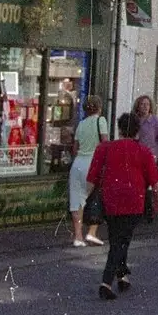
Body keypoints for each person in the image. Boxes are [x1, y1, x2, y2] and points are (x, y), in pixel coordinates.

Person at [87, 112, 158, 300]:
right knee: (122, 241)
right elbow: (155, 183)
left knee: (117, 239)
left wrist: (86, 199)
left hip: (110, 199)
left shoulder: (104, 149)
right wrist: (157, 202)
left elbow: (91, 178)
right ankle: (106, 282)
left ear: (119, 129)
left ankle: (122, 277)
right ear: (137, 130)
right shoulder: (144, 151)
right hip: (134, 201)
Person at [69, 94, 109, 247]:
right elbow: (104, 143)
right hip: (93, 162)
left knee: (76, 200)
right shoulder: (101, 120)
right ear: (99, 108)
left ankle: (78, 237)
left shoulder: (81, 124)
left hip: (78, 163)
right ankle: (92, 232)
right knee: (96, 197)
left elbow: (75, 148)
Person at [133, 95, 158, 172]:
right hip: (137, 156)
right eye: (142, 104)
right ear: (138, 106)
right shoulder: (135, 120)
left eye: (147, 104)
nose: (145, 107)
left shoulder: (154, 120)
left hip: (152, 157)